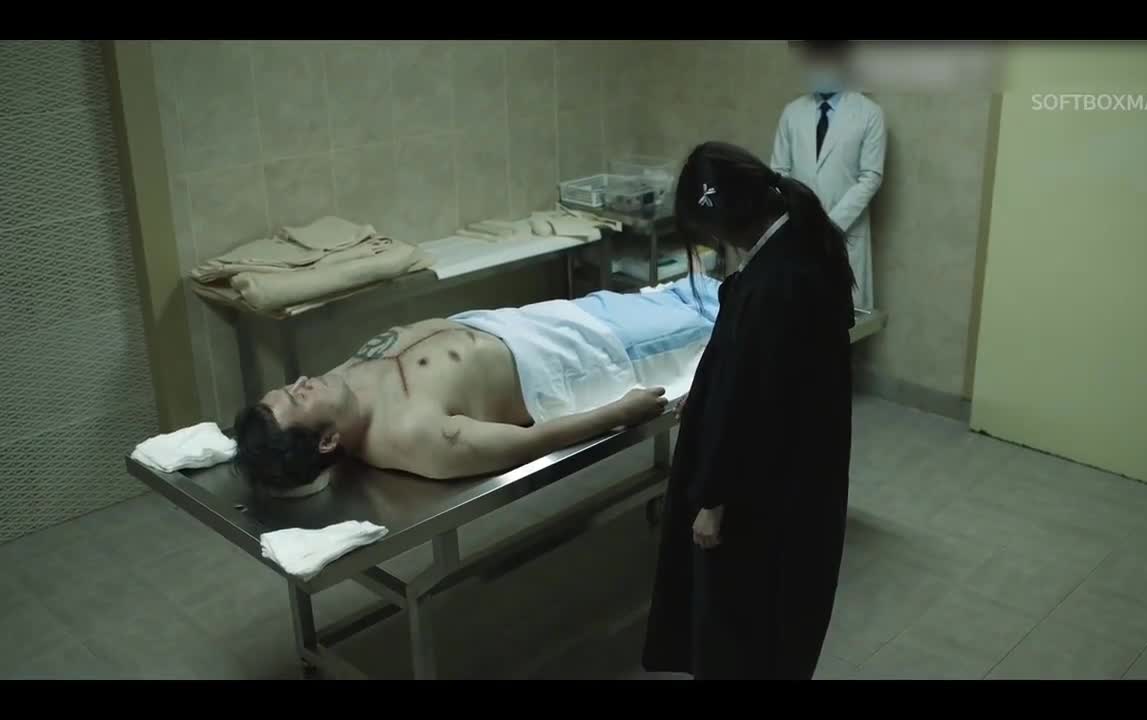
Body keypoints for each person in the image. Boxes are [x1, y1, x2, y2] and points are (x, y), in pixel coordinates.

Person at [641, 141, 854, 679]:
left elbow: (754, 402)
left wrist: (714, 500)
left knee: (742, 626)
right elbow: (750, 371)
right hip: (799, 473)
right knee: (775, 620)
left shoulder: (775, 285)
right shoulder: (801, 246)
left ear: (725, 220)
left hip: (762, 491)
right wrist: (705, 391)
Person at [231, 278, 724, 490]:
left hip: (543, 319)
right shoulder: (412, 436)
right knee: (713, 313)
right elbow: (530, 443)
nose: (302, 381)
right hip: (583, 354)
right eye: (297, 397)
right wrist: (619, 412)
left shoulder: (340, 385)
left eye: (290, 386)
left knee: (686, 291)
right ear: (327, 440)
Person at [771, 40, 885, 311]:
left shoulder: (869, 114)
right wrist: (800, 217)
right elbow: (778, 173)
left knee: (843, 319)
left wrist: (830, 225)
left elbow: (870, 176)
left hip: (846, 232)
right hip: (798, 230)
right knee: (798, 315)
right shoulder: (792, 112)